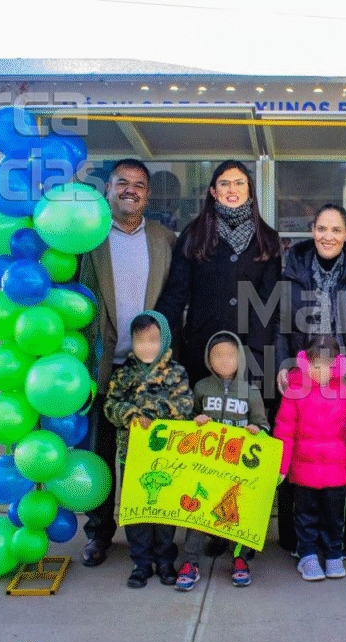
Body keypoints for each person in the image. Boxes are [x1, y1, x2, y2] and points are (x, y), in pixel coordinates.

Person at [79, 158, 176, 568]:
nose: (130, 190)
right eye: (122, 182)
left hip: (150, 370)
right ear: (109, 189)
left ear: (147, 195)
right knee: (101, 454)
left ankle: (149, 539)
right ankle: (99, 534)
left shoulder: (164, 238)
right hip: (105, 365)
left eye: (138, 184)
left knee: (146, 459)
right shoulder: (91, 238)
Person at [274, 203, 346, 559]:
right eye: (322, 228)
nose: (328, 236)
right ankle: (298, 541)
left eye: (336, 230)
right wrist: (281, 364)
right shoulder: (291, 272)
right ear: (312, 230)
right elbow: (279, 326)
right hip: (303, 380)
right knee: (302, 454)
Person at [155, 160, 282, 397]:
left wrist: (254, 353)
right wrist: (155, 334)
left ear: (249, 189)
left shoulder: (267, 239)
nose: (232, 189)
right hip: (201, 349)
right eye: (224, 183)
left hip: (250, 354)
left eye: (239, 183)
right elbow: (176, 294)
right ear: (213, 191)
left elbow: (269, 304)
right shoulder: (194, 234)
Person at [102, 311, 193, 588]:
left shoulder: (176, 373)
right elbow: (110, 405)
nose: (146, 346)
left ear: (164, 339)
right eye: (140, 340)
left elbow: (185, 406)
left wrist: (152, 413)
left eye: (153, 340)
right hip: (131, 454)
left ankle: (165, 560)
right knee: (137, 509)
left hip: (166, 455)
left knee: (164, 509)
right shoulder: (124, 374)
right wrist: (129, 414)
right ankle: (141, 562)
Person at [174, 331, 270, 590]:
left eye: (230, 355)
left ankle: (239, 558)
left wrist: (256, 430)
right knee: (197, 511)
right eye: (218, 355)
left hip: (237, 469)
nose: (225, 360)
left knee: (237, 513)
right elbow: (188, 420)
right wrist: (196, 422)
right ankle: (191, 562)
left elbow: (264, 426)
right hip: (207, 467)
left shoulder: (250, 391)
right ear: (208, 359)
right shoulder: (202, 387)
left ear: (240, 358)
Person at [274, 335, 346, 581]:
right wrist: (281, 467)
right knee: (305, 516)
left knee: (334, 517)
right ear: (306, 364)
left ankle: (333, 553)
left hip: (336, 474)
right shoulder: (294, 392)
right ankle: (307, 556)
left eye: (327, 365)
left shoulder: (345, 394)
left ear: (337, 365)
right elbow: (284, 432)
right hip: (304, 473)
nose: (321, 371)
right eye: (316, 365)